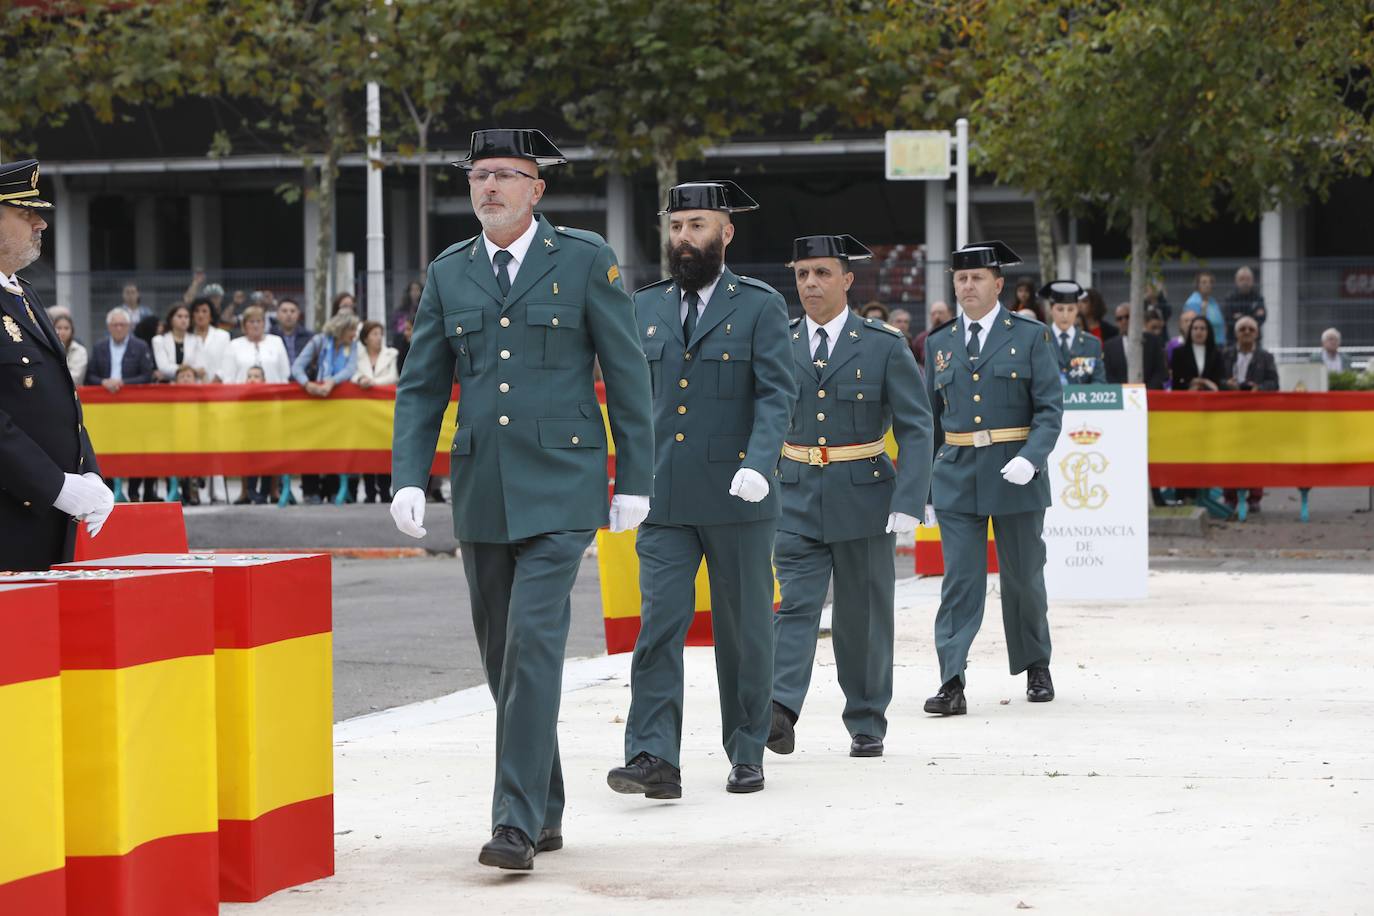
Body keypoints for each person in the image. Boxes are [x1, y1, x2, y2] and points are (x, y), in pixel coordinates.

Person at [388, 128, 654, 870]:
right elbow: (421, 385)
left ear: (537, 190)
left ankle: (512, 822)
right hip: (482, 491)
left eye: (505, 175)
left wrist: (637, 477)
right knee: (506, 659)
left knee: (534, 647)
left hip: (564, 486)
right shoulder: (450, 271)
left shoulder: (584, 259)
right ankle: (546, 810)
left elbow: (627, 373)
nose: (489, 187)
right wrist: (409, 474)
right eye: (478, 176)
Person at [607, 179, 794, 800]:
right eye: (677, 227)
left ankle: (746, 750)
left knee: (743, 630)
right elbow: (632, 404)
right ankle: (654, 755)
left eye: (697, 227)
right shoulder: (646, 306)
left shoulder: (761, 305)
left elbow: (777, 394)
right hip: (664, 498)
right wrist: (625, 479)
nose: (684, 239)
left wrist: (759, 462)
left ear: (726, 233)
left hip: (739, 497)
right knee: (659, 623)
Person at [767, 235, 933, 760]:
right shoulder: (778, 340)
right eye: (802, 274)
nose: (810, 284)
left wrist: (910, 497)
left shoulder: (883, 344)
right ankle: (778, 709)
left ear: (847, 280)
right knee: (793, 605)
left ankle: (865, 718)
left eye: (821, 273)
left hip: (864, 497)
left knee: (861, 615)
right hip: (792, 494)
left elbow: (917, 425)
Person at [923, 240, 1064, 715]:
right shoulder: (939, 343)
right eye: (961, 279)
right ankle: (951, 679)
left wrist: (1033, 457)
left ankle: (1035, 663)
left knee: (1023, 578)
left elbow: (1049, 409)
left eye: (977, 278)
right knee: (961, 580)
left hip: (1017, 475)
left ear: (998, 284)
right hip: (958, 476)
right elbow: (929, 419)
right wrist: (922, 487)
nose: (967, 286)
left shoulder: (1029, 335)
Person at [0, 158, 112, 570]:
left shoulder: (25, 294)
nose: (40, 224)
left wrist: (90, 474)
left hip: (46, 519)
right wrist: (55, 486)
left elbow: (63, 400)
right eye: (24, 212)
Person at [87, 306, 159, 501]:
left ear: (129, 326)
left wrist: (123, 384)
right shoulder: (100, 347)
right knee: (107, 448)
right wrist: (103, 382)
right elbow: (89, 375)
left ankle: (134, 491)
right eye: (115, 324)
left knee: (135, 449)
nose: (118, 328)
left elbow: (147, 375)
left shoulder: (140, 346)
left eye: (122, 324)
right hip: (107, 410)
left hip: (133, 409)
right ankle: (109, 489)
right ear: (109, 326)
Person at [353, 319, 399, 503]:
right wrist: (360, 380)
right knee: (367, 449)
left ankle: (385, 489)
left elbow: (393, 376)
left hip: (385, 409)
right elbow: (353, 373)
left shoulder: (392, 353)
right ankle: (370, 491)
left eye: (380, 334)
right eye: (374, 334)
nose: (378, 338)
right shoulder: (357, 356)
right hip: (364, 411)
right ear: (365, 338)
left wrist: (372, 383)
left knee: (384, 449)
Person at [1043, 280, 1105, 384]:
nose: (1065, 315)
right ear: (1050, 309)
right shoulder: (1039, 340)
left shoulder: (1092, 344)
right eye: (1060, 309)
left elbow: (1099, 381)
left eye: (1071, 309)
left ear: (1077, 310)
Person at [291, 310, 358, 396]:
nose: (355, 334)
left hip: (343, 397)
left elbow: (350, 369)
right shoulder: (319, 341)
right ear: (341, 328)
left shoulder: (352, 345)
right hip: (316, 394)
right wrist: (307, 384)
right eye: (352, 330)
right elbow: (297, 367)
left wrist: (332, 382)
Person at [1103, 301, 1168, 388]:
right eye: (1119, 319)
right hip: (1121, 396)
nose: (1124, 321)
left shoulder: (1153, 341)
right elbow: (1108, 375)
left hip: (1150, 395)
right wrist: (1124, 392)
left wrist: (1143, 392)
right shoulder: (1109, 346)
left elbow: (1161, 372)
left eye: (1127, 316)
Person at [224, 305, 291, 384]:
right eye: (251, 321)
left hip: (273, 394)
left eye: (259, 321)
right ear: (244, 325)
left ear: (264, 324)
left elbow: (285, 374)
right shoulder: (234, 345)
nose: (255, 325)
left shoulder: (277, 341)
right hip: (242, 394)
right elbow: (228, 378)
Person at [1169, 315, 1226, 392]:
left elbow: (1219, 378)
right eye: (1195, 328)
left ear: (1208, 332)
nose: (1198, 331)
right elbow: (1176, 381)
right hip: (1186, 396)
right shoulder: (1179, 353)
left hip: (1210, 396)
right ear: (1190, 331)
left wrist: (1205, 383)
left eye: (1202, 329)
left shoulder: (1217, 353)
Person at [1223, 316, 1279, 392]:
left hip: (1257, 401)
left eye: (1251, 329)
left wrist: (1259, 388)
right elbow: (1216, 379)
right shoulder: (1224, 355)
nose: (1247, 332)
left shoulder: (1267, 357)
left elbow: (1274, 383)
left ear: (1256, 334)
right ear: (1236, 333)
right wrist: (1227, 384)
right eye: (1242, 329)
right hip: (1229, 400)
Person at [188, 296, 231, 382]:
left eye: (204, 311)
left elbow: (228, 362)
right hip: (192, 386)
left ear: (211, 316)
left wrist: (217, 378)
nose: (200, 315)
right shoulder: (187, 337)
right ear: (192, 316)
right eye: (197, 311)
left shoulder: (223, 336)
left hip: (218, 385)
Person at [152, 302, 196, 381]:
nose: (184, 320)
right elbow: (163, 367)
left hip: (190, 384)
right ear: (171, 319)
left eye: (186, 317)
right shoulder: (159, 340)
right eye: (179, 316)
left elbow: (198, 365)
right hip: (167, 384)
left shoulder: (195, 340)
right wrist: (182, 368)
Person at [1184, 271, 1226, 347]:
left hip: (1218, 342)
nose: (1207, 285)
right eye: (1204, 282)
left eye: (1210, 282)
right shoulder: (1193, 302)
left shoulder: (1212, 301)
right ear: (1198, 285)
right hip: (1204, 344)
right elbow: (1193, 325)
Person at [49, 309, 88, 387]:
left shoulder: (80, 350)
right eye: (59, 328)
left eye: (66, 328)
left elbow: (76, 378)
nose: (62, 332)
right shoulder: (48, 348)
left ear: (72, 330)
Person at [1223, 266, 1266, 331]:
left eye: (1248, 279)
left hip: (1254, 339)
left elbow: (1261, 318)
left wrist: (1239, 317)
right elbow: (1228, 318)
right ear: (1236, 281)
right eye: (1242, 279)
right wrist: (1252, 316)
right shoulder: (1230, 298)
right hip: (1233, 339)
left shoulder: (1258, 297)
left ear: (1252, 281)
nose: (1245, 282)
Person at [272, 297, 314, 366]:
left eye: (292, 311)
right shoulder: (271, 338)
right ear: (277, 314)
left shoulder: (309, 338)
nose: (289, 314)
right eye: (284, 311)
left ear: (298, 314)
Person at [912, 300, 952, 369]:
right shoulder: (921, 339)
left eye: (940, 313)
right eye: (933, 314)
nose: (937, 316)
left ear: (949, 314)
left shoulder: (959, 335)